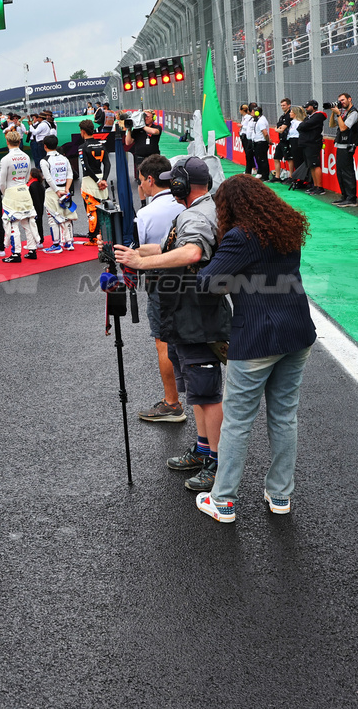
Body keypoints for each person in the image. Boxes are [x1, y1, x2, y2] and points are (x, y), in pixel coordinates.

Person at [193, 176, 317, 522]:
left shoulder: (240, 237)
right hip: (297, 330)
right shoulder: (287, 225)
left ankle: (224, 500)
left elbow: (208, 283)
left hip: (257, 338)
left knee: (237, 422)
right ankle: (280, 495)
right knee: (284, 415)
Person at [114, 156, 232, 493]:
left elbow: (192, 252)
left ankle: (218, 463)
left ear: (182, 185)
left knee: (208, 393)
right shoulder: (198, 209)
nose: (170, 185)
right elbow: (171, 247)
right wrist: (134, 254)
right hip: (189, 314)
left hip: (199, 316)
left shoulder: (197, 214)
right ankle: (205, 449)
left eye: (173, 181)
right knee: (197, 390)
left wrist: (143, 262)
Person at [130, 156, 187, 426]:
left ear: (149, 180)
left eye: (140, 181)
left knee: (163, 341)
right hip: (192, 276)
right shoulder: (185, 203)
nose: (140, 185)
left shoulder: (145, 214)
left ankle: (172, 402)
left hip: (160, 279)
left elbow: (139, 251)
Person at [0, 129, 39, 263]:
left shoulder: (6, 159)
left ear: (7, 142)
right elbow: (27, 177)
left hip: (11, 192)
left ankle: (16, 253)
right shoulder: (26, 157)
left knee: (12, 223)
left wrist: (5, 193)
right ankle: (32, 249)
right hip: (24, 190)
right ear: (19, 141)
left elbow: (2, 182)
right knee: (27, 221)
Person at [38, 137, 77, 254]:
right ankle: (68, 242)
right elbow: (70, 174)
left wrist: (56, 191)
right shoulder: (64, 158)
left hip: (52, 191)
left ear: (45, 146)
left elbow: (48, 178)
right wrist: (66, 189)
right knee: (67, 216)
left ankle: (56, 244)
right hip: (64, 189)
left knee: (53, 218)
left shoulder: (44, 161)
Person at [78, 120, 110, 244]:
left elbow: (85, 167)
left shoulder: (82, 147)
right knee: (102, 208)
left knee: (91, 209)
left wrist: (97, 181)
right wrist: (104, 180)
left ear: (83, 131)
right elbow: (107, 164)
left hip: (89, 181)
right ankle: (102, 234)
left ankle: (94, 237)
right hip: (102, 178)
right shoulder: (101, 145)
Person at [331, 92, 358, 207]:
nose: (341, 103)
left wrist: (338, 114)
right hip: (340, 146)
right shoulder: (344, 113)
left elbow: (343, 128)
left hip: (347, 147)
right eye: (340, 101)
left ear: (349, 99)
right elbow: (332, 125)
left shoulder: (354, 113)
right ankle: (345, 196)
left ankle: (351, 198)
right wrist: (333, 113)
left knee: (347, 173)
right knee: (340, 173)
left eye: (343, 100)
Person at [297, 100, 328, 195]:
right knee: (311, 165)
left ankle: (320, 187)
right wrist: (303, 126)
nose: (306, 109)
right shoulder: (310, 117)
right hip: (307, 143)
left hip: (313, 143)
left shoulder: (318, 116)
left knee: (315, 165)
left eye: (308, 107)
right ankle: (315, 185)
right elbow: (301, 126)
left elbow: (304, 126)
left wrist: (303, 126)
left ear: (313, 106)